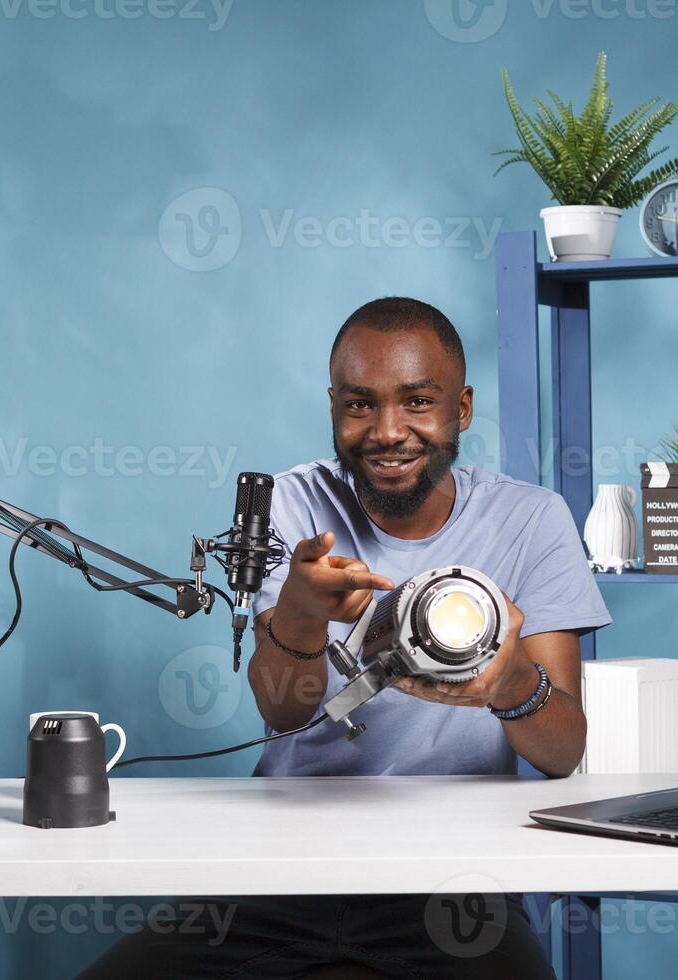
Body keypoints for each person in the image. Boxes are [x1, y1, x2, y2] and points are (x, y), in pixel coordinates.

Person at [82, 297, 610, 978]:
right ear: (334, 406)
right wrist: (302, 609)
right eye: (360, 405)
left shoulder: (531, 519)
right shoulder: (294, 505)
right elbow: (280, 708)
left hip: (453, 880)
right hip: (286, 866)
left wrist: (507, 683)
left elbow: (564, 752)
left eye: (418, 401)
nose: (388, 431)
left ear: (463, 409)